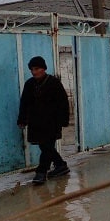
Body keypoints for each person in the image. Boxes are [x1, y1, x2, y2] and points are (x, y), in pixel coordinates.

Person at [17, 56, 70, 185]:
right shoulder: (29, 84)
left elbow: (63, 102)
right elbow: (24, 103)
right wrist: (22, 119)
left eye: (37, 69)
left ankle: (41, 172)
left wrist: (63, 120)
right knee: (44, 146)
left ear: (43, 69)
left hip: (52, 122)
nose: (34, 72)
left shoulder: (54, 83)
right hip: (36, 122)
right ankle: (60, 165)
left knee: (47, 146)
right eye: (32, 70)